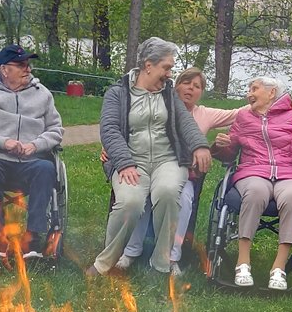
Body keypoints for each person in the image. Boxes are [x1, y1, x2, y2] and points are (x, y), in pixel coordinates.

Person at [87, 37, 212, 276]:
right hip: (132, 161)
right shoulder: (118, 93)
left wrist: (199, 145)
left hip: (169, 160)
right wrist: (124, 162)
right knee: (130, 202)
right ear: (148, 65)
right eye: (166, 67)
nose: (169, 73)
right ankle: (106, 262)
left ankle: (162, 262)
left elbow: (186, 121)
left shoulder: (168, 94)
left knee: (167, 194)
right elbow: (110, 129)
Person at [112, 67, 246, 276]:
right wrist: (111, 148)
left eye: (197, 86)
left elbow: (240, 113)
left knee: (183, 199)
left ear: (201, 92)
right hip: (150, 168)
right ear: (176, 85)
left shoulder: (204, 114)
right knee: (142, 195)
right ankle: (131, 251)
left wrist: (273, 101)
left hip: (186, 175)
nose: (190, 89)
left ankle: (171, 256)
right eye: (186, 83)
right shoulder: (159, 105)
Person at [212, 77, 292, 290]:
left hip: (291, 173)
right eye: (248, 89)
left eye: (254, 89)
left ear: (271, 93)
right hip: (254, 170)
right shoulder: (243, 117)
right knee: (254, 192)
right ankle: (242, 263)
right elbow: (230, 153)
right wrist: (221, 145)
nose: (249, 94)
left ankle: (279, 268)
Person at [0, 44, 64, 259]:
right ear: (4, 69)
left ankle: (33, 236)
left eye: (28, 65)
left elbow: (56, 129)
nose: (27, 69)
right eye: (21, 65)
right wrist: (2, 142)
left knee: (46, 169)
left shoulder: (42, 94)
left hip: (32, 161)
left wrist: (36, 145)